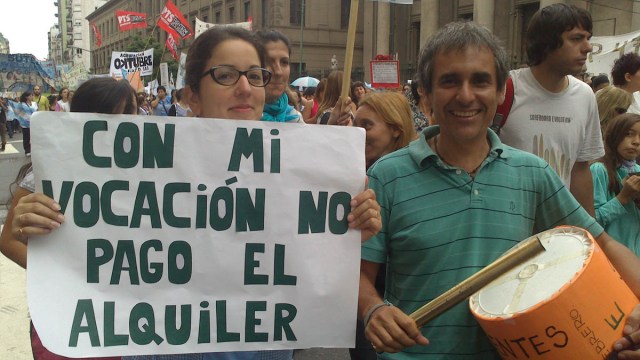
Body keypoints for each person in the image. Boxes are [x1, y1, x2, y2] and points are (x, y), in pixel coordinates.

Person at [359, 21, 640, 360]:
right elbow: (359, 273)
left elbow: (602, 244)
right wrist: (373, 309)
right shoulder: (387, 176)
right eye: (449, 81)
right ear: (427, 94)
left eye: (480, 81)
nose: (466, 95)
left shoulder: (532, 173)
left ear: (501, 92)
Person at [0, 77, 136, 360]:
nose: (123, 123)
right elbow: (10, 241)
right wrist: (62, 275)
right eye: (111, 115)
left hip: (131, 318)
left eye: (130, 113)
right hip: (69, 316)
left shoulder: (158, 172)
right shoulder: (48, 171)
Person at [498, 3, 603, 216]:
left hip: (558, 232)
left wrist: (589, 232)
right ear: (546, 43)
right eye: (576, 39)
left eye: (588, 38)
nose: (588, 47)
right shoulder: (506, 88)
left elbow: (580, 170)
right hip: (504, 224)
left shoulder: (585, 95)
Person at [350, 91, 416, 360]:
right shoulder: (353, 175)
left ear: (396, 130)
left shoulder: (405, 180)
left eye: (367, 125)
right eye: (355, 124)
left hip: (398, 314)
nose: (358, 133)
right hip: (364, 307)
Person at [590, 113, 640, 255]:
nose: (636, 142)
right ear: (615, 135)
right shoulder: (600, 170)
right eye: (629, 134)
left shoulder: (637, 171)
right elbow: (593, 221)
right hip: (611, 256)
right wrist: (622, 198)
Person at [255, 29, 304, 123]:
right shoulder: (237, 116)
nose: (278, 72)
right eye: (268, 62)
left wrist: (334, 126)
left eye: (284, 62)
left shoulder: (295, 118)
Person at [8, 91, 36, 156]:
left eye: (32, 95)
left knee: (34, 137)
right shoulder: (21, 104)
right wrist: (23, 117)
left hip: (34, 122)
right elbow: (17, 112)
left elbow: (36, 111)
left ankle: (33, 150)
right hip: (25, 124)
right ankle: (27, 150)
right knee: (26, 137)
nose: (32, 96)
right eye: (30, 95)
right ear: (26, 97)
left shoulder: (34, 103)